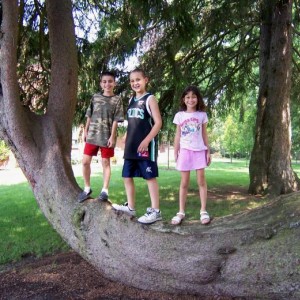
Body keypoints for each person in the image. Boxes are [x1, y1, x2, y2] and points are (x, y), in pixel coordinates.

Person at [112, 68, 162, 224]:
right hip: (131, 146)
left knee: (149, 177)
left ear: (145, 80)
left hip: (145, 146)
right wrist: (127, 135)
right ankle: (131, 207)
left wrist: (146, 141)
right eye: (132, 81)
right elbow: (133, 123)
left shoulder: (150, 99)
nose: (135, 83)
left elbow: (158, 123)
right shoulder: (131, 100)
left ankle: (155, 211)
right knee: (127, 175)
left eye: (138, 79)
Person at [78, 71, 123, 203]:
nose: (107, 84)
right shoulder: (95, 97)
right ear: (101, 83)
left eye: (110, 81)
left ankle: (105, 191)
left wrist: (113, 136)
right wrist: (85, 131)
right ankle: (87, 188)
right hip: (92, 135)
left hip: (106, 137)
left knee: (105, 163)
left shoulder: (117, 99)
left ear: (114, 83)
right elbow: (89, 115)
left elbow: (116, 119)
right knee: (85, 162)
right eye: (104, 81)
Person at [171, 85, 211, 225]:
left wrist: (208, 151)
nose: (191, 99)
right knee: (184, 183)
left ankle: (203, 210)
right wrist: (176, 151)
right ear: (183, 99)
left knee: (201, 181)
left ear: (198, 98)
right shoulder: (180, 115)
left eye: (193, 96)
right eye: (187, 97)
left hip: (199, 151)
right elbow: (177, 135)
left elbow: (204, 134)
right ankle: (181, 211)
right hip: (185, 151)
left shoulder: (202, 115)